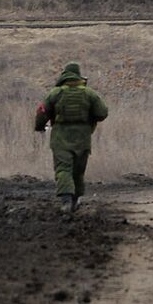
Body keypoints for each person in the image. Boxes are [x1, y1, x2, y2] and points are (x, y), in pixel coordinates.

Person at [34, 61, 109, 214]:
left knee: (63, 169)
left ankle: (66, 201)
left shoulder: (55, 93)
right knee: (78, 171)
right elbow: (102, 113)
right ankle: (76, 200)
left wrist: (39, 127)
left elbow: (42, 112)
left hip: (61, 137)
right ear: (78, 76)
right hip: (82, 138)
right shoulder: (90, 94)